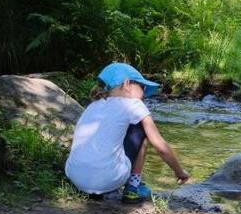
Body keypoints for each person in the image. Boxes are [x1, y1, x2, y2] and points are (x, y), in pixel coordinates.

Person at [65, 62, 190, 204]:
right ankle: (132, 188)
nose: (144, 93)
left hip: (75, 177)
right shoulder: (134, 105)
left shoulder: (93, 105)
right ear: (126, 84)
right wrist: (179, 171)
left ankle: (92, 190)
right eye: (142, 86)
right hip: (108, 179)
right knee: (143, 129)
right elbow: (160, 145)